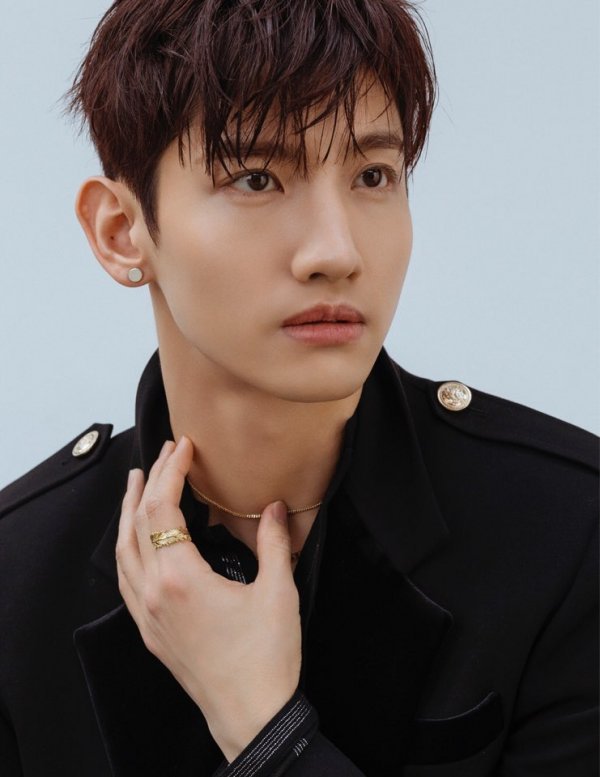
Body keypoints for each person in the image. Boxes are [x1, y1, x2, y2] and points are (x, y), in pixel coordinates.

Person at [0, 1, 597, 775]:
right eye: (257, 177)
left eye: (373, 175)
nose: (336, 251)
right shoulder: (18, 576)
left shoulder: (568, 536)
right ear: (121, 232)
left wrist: (265, 727)